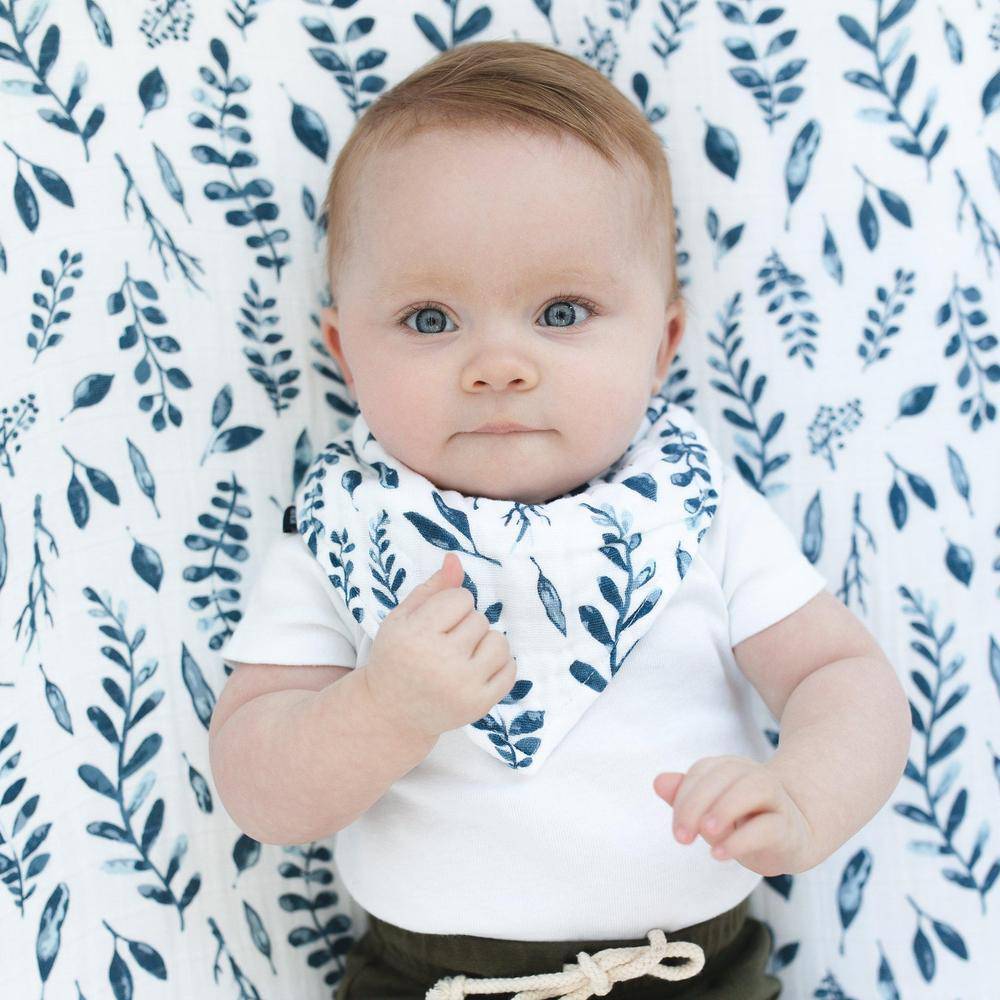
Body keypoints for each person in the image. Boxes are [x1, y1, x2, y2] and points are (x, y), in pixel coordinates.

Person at [209, 40, 911, 1000]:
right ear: (344, 351)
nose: (500, 363)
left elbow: (844, 675)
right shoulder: (341, 535)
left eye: (563, 311)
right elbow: (258, 786)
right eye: (428, 320)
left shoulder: (696, 509)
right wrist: (382, 711)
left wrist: (805, 794)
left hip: (695, 971)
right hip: (433, 981)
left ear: (663, 342)